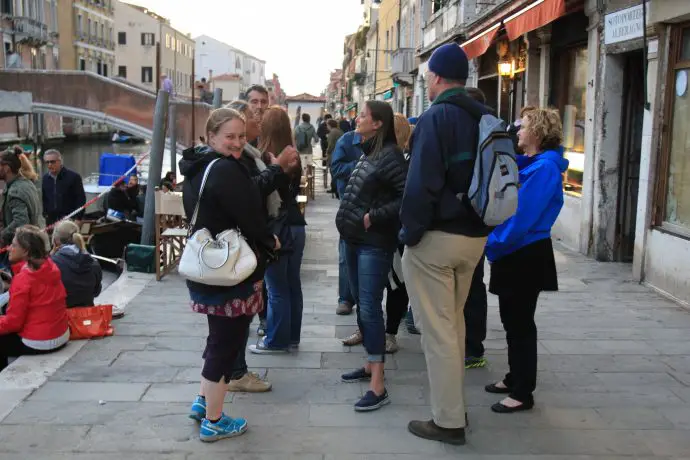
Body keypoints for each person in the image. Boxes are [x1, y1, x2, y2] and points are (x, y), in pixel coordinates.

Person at [400, 43, 491, 445]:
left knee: (438, 334)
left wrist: (409, 236)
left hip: (437, 241)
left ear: (435, 77)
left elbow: (419, 186)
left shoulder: (435, 118)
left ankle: (449, 422)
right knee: (454, 328)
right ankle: (456, 410)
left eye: (427, 77)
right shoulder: (486, 116)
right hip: (475, 240)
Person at [180, 107, 280, 442]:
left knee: (216, 338)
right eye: (230, 137)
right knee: (227, 343)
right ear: (211, 137)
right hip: (229, 271)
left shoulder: (197, 165)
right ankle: (214, 420)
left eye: (241, 136)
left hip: (207, 268)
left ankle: (202, 400)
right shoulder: (226, 169)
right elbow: (251, 216)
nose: (238, 143)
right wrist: (270, 242)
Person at [484, 108, 567, 414]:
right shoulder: (532, 164)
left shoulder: (544, 168)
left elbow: (522, 217)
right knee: (511, 320)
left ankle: (522, 392)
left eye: (523, 126)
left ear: (538, 132)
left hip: (524, 252)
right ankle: (513, 376)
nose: (517, 131)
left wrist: (492, 243)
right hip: (515, 250)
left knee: (520, 323)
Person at [336, 100, 407, 412]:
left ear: (378, 123)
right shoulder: (370, 151)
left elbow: (407, 197)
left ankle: (378, 385)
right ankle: (369, 365)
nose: (357, 118)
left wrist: (373, 217)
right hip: (354, 239)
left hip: (373, 242)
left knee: (370, 309)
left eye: (362, 115)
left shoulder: (390, 155)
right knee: (364, 309)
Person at [223, 99, 298, 393]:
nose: (259, 116)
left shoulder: (250, 156)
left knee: (244, 311)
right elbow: (248, 197)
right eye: (253, 112)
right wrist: (277, 167)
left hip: (253, 240)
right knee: (235, 315)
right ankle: (233, 374)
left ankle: (232, 372)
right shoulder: (235, 161)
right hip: (240, 244)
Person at [249, 107, 306, 354]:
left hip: (278, 227)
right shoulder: (295, 156)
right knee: (292, 284)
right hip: (297, 224)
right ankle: (292, 336)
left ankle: (276, 340)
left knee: (277, 287)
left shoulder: (264, 157)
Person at [0, 225, 68, 372]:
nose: (9, 248)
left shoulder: (24, 279)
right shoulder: (50, 266)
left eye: (13, 245)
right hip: (61, 334)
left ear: (25, 250)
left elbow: (13, 324)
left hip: (39, 341)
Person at [330, 130, 362, 317]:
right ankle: (346, 298)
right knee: (346, 252)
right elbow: (336, 169)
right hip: (349, 204)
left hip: (375, 206)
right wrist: (361, 165)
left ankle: (363, 300)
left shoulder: (381, 141)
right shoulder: (347, 140)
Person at [50, 220, 102, 309]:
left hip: (61, 316)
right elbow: (96, 291)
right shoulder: (92, 261)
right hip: (87, 315)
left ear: (56, 241)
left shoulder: (51, 264)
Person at [0, 148, 44, 248]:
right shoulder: (27, 182)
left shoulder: (15, 190)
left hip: (25, 248)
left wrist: (2, 236)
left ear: (7, 168)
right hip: (36, 243)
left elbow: (20, 222)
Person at [41, 149, 86, 225]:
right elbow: (45, 199)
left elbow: (81, 200)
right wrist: (45, 214)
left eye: (52, 162)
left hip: (69, 219)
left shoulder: (74, 177)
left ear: (60, 161)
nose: (49, 165)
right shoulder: (45, 178)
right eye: (47, 162)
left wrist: (78, 218)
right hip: (51, 220)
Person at [324, 119, 344, 190]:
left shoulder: (332, 132)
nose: (326, 127)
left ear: (330, 125)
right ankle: (337, 188)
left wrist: (327, 152)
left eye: (327, 125)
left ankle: (334, 188)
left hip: (333, 154)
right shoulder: (340, 131)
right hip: (341, 154)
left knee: (333, 171)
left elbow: (331, 145)